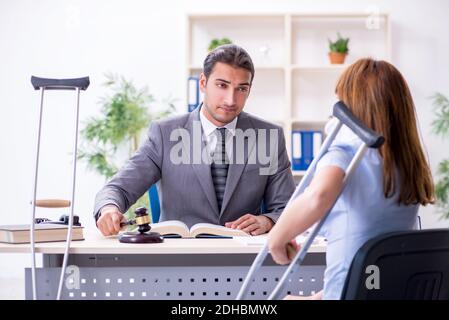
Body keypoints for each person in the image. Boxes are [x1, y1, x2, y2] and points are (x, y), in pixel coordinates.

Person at [267, 58, 435, 300]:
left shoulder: (344, 150)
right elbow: (371, 272)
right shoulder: (408, 166)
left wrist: (276, 238)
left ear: (353, 106)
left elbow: (319, 195)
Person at [94, 44, 295, 236]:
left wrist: (267, 220)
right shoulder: (165, 134)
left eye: (241, 89)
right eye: (222, 85)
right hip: (179, 257)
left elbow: (287, 207)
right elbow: (117, 188)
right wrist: (109, 209)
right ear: (203, 83)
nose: (230, 100)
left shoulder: (269, 137)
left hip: (242, 258)